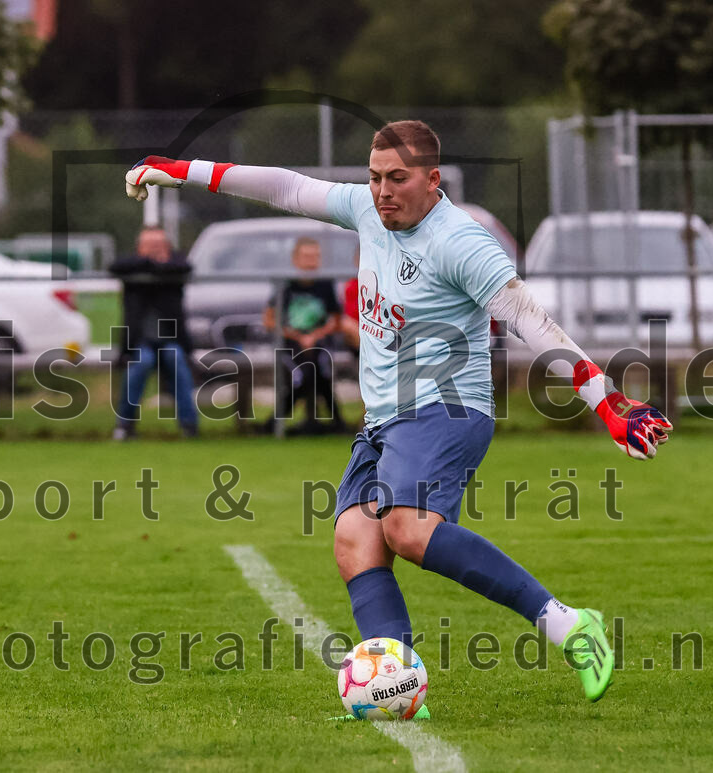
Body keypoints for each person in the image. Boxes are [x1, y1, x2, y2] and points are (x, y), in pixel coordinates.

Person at [123, 120, 673, 705]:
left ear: (432, 180)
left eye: (398, 179)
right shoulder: (365, 210)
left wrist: (608, 403)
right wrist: (183, 172)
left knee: (407, 529)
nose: (383, 190)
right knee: (355, 540)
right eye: (375, 177)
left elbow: (532, 321)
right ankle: (396, 687)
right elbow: (284, 187)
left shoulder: (460, 241)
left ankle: (567, 625)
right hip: (386, 418)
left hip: (448, 406)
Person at [110, 226, 198, 440]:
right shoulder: (132, 268)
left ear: (167, 247)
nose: (154, 250)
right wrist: (152, 263)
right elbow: (114, 266)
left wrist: (156, 265)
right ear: (139, 248)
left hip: (171, 340)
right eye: (149, 246)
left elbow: (184, 266)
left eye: (158, 245)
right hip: (140, 342)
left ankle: (189, 426)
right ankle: (125, 426)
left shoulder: (176, 267)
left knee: (176, 359)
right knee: (140, 364)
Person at [263, 237, 345, 434]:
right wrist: (298, 337)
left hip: (319, 341)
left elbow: (335, 319)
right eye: (307, 256)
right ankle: (278, 424)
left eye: (315, 257)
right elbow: (269, 320)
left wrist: (315, 335)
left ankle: (329, 423)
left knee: (321, 372)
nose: (311, 261)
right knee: (303, 375)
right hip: (291, 343)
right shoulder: (286, 285)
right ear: (295, 259)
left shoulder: (325, 283)